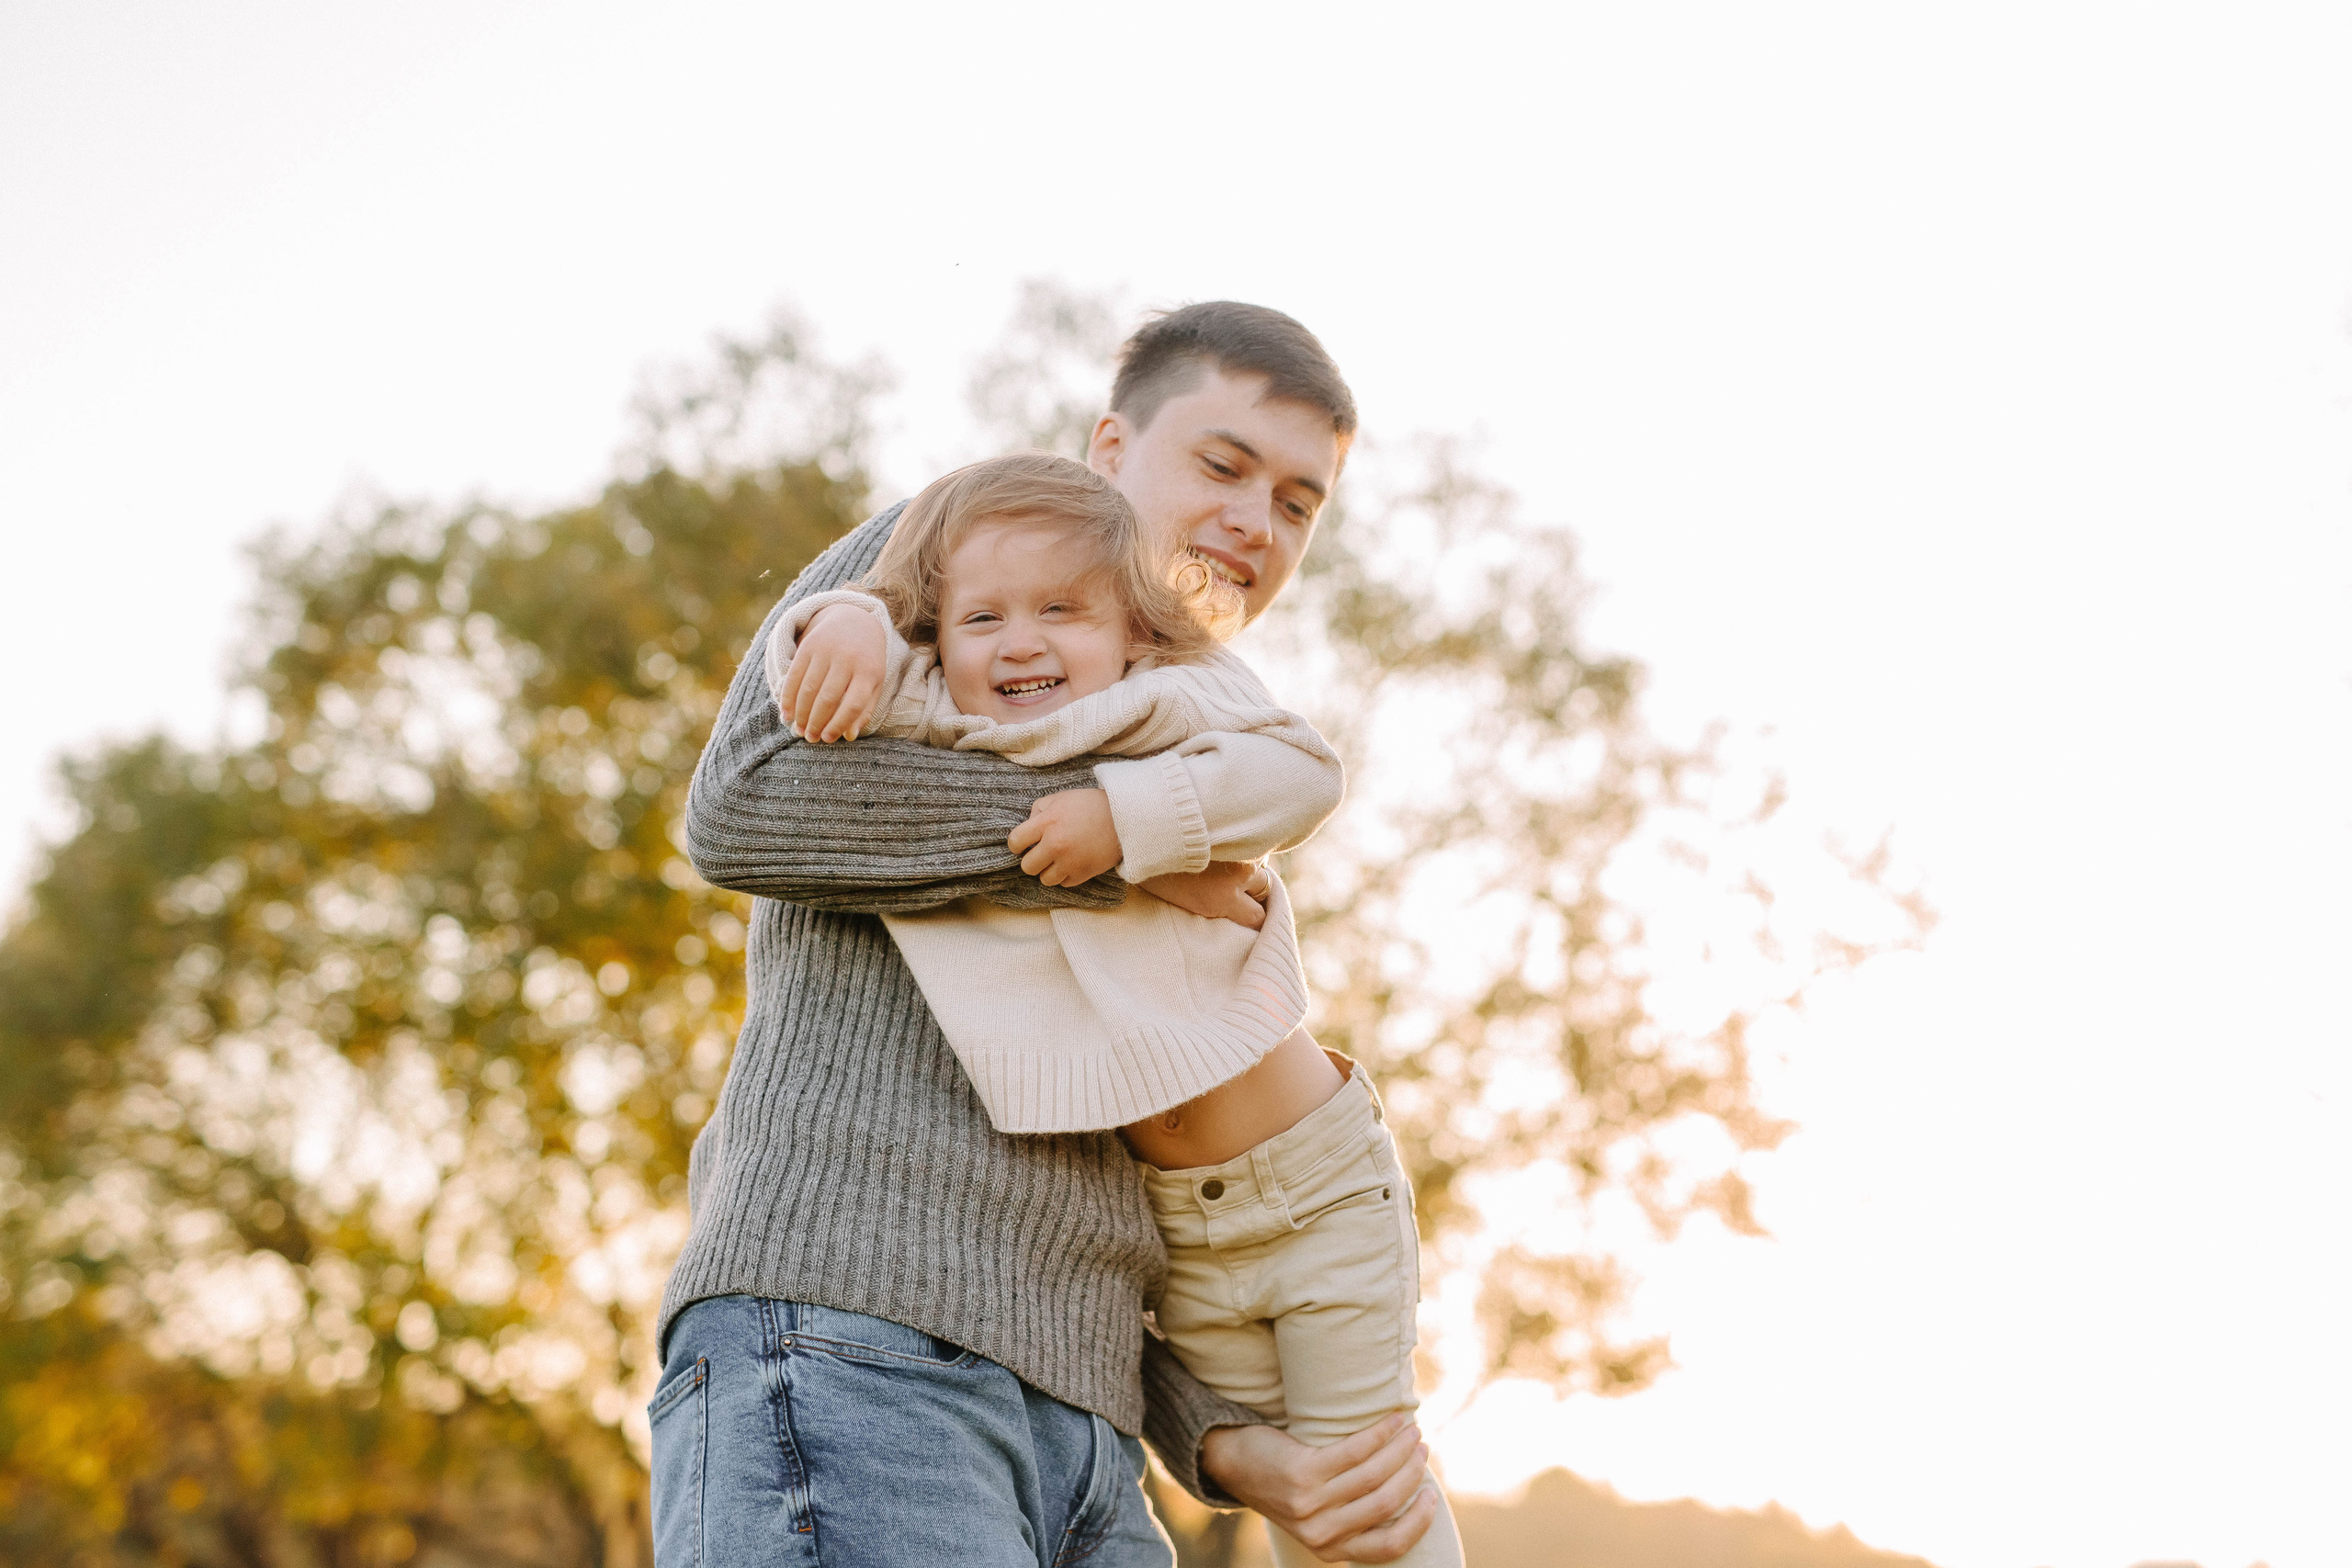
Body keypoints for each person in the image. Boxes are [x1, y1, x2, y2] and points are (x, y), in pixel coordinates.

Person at [652, 304, 1442, 1566]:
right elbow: (747, 804)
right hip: (856, 1340)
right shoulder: (964, 551)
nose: (1256, 520)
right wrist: (1106, 845)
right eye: (1224, 465)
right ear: (1109, 450)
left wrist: (1222, 1443)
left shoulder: (1177, 709)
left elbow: (1113, 1183)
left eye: (1298, 504)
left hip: (1082, 1436)